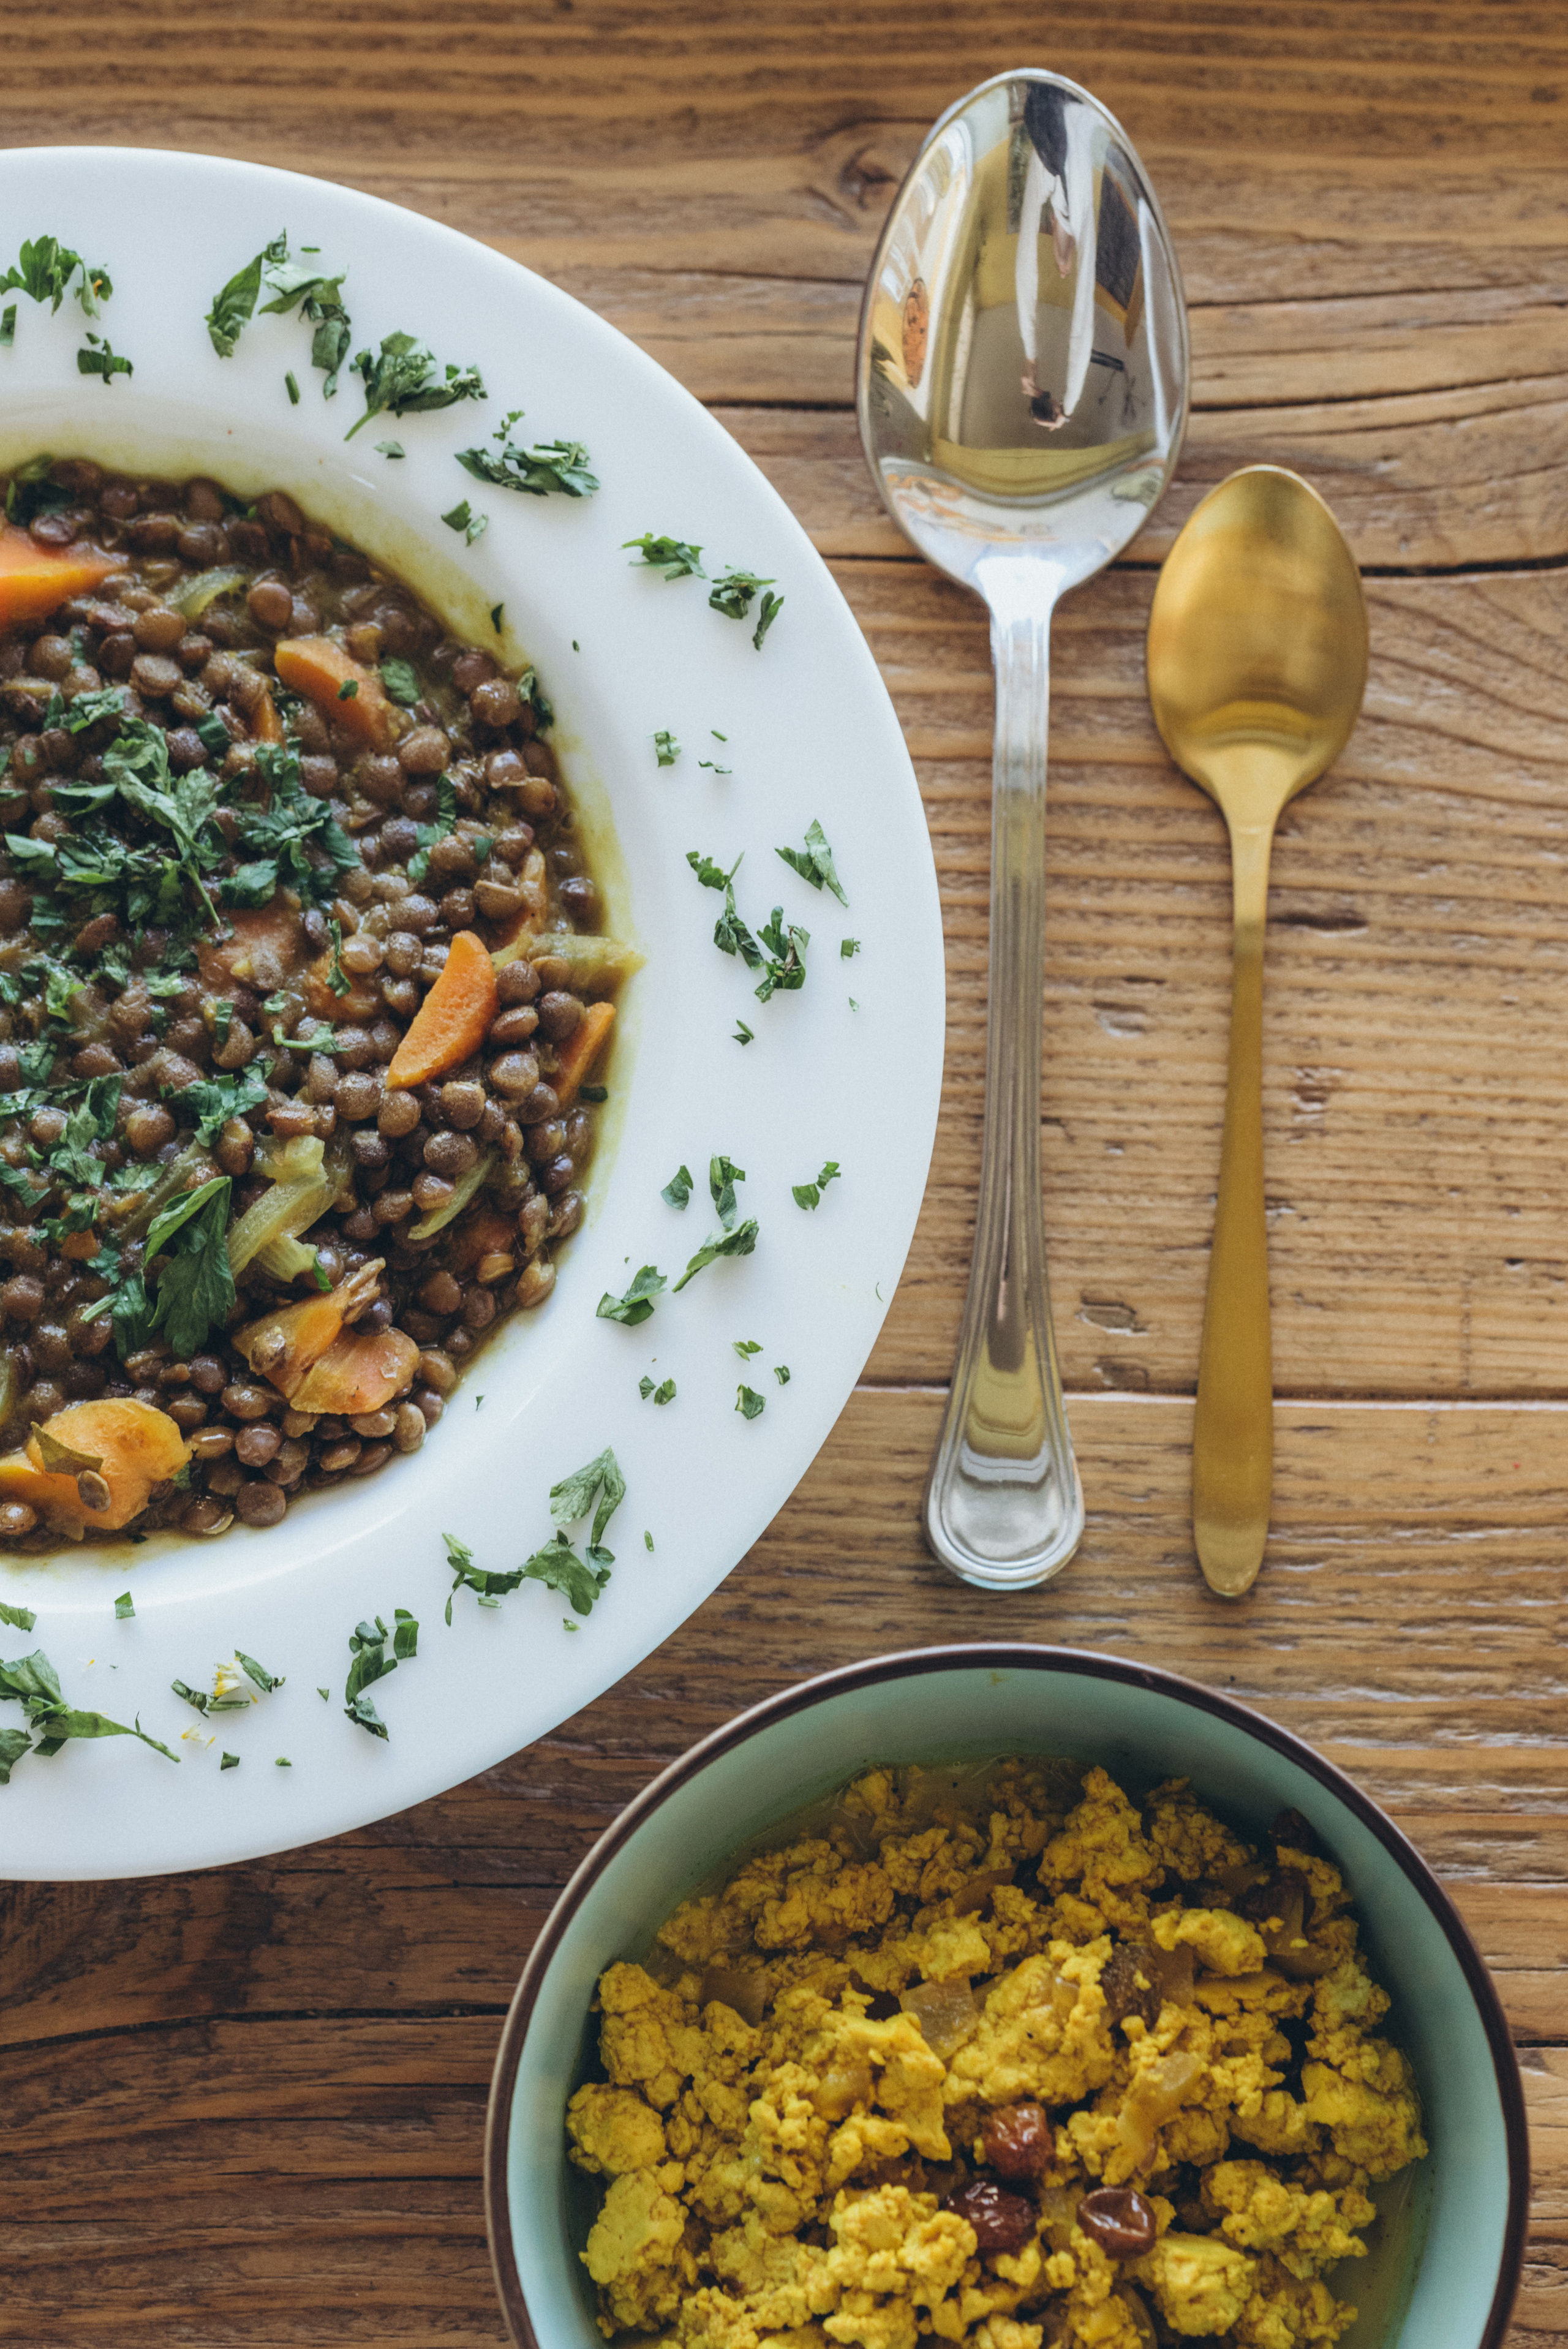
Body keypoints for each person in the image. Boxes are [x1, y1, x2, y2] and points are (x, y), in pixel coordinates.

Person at [1015, 82, 1101, 431]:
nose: (1063, 268)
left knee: (1064, 258)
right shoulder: (1076, 222)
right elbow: (1082, 324)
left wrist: (1031, 357)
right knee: (1066, 259)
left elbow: (1027, 265)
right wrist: (1067, 407)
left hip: (1055, 124)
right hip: (1067, 119)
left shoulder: (1064, 214)